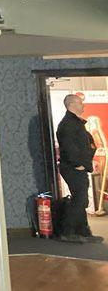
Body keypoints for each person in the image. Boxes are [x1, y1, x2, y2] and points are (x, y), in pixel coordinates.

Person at [56, 94, 103, 243]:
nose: (83, 106)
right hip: (73, 168)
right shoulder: (68, 124)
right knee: (80, 198)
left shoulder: (75, 123)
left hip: (77, 167)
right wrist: (78, 164)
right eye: (80, 103)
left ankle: (84, 231)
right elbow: (69, 146)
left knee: (80, 199)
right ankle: (67, 231)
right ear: (72, 105)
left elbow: (86, 144)